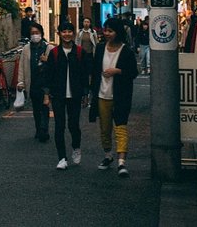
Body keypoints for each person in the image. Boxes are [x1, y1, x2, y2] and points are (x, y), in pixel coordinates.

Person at [89, 17, 138, 178]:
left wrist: (118, 71)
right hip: (102, 94)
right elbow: (95, 71)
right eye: (106, 30)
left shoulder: (126, 51)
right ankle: (108, 155)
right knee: (105, 128)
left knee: (121, 127)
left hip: (120, 95)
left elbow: (133, 72)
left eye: (111, 31)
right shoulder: (101, 48)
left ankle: (121, 161)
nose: (107, 33)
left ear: (118, 32)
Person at [43, 21, 89, 170]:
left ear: (73, 33)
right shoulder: (55, 53)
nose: (67, 34)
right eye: (64, 31)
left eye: (69, 31)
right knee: (59, 126)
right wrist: (47, 94)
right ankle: (62, 157)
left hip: (75, 95)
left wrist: (85, 93)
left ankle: (76, 147)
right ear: (59, 34)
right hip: (58, 94)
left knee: (73, 125)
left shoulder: (80, 52)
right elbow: (48, 75)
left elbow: (84, 75)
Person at [17, 23, 54, 142]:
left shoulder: (49, 48)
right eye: (32, 33)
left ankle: (44, 130)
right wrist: (20, 81)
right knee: (36, 108)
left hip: (45, 82)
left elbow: (56, 65)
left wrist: (47, 60)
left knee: (44, 106)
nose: (35, 35)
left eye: (37, 33)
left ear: (41, 34)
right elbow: (22, 66)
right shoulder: (26, 49)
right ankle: (38, 128)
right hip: (32, 82)